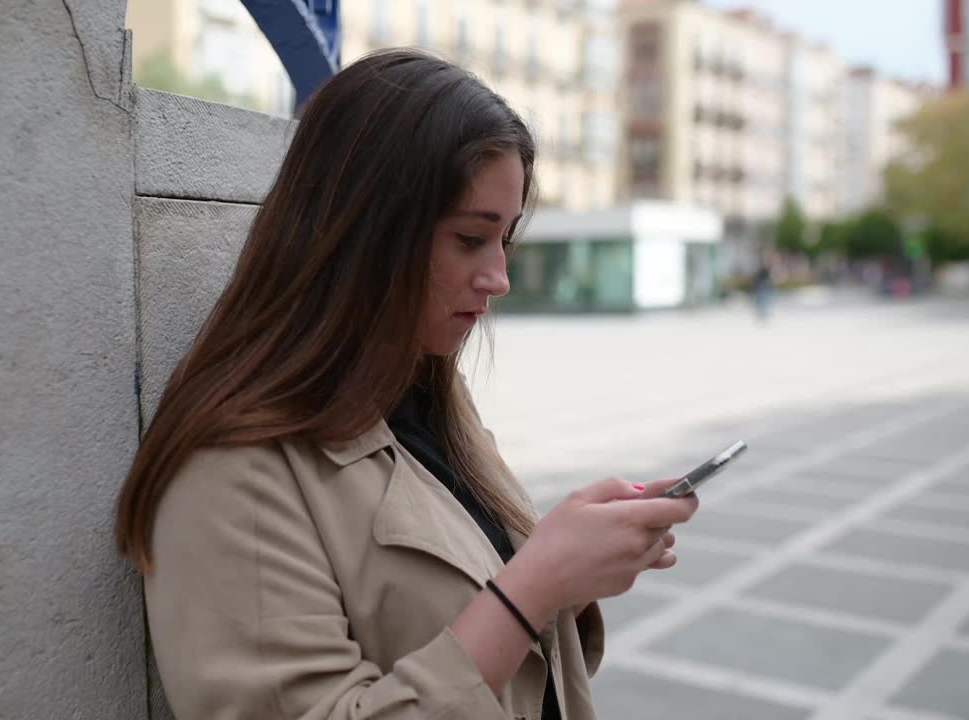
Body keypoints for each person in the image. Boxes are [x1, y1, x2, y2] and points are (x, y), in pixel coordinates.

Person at [114, 49, 700, 720]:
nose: (498, 277)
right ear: (366, 231)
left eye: (505, 239)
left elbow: (467, 617)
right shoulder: (231, 473)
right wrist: (535, 586)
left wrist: (576, 564)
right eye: (469, 239)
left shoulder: (428, 394)